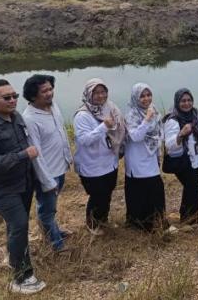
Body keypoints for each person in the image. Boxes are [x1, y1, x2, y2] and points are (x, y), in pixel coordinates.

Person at [0, 79, 46, 294]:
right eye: (7, 97)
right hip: (1, 190)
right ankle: (21, 278)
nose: (13, 100)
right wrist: (23, 155)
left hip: (23, 184)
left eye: (14, 96)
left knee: (16, 227)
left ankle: (13, 257)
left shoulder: (15, 117)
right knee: (20, 225)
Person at [22, 74, 72, 251]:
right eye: (44, 91)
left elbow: (61, 133)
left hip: (60, 167)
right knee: (46, 209)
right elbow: (35, 154)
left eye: (51, 89)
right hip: (47, 173)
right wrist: (47, 181)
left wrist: (68, 158)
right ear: (33, 95)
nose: (50, 93)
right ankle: (55, 243)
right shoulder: (29, 119)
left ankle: (54, 230)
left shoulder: (52, 107)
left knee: (51, 207)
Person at [74, 78, 126, 236]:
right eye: (96, 92)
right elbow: (84, 140)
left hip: (110, 162)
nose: (100, 96)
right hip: (92, 165)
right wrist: (103, 126)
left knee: (107, 193)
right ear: (89, 94)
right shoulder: (82, 115)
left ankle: (103, 220)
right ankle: (92, 224)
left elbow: (120, 127)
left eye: (103, 92)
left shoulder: (109, 108)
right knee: (97, 196)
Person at [124, 83, 169, 231]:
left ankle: (158, 220)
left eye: (148, 95)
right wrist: (147, 119)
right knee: (140, 191)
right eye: (142, 96)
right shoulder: (131, 115)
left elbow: (159, 132)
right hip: (137, 159)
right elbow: (136, 136)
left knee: (156, 189)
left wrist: (159, 152)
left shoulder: (153, 110)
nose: (146, 99)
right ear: (136, 97)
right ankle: (139, 223)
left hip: (151, 156)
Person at [163, 88, 198, 225]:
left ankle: (189, 218)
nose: (186, 103)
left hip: (196, 157)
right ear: (177, 102)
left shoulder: (195, 113)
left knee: (191, 187)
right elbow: (169, 145)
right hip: (181, 160)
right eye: (183, 101)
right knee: (193, 185)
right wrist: (181, 134)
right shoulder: (172, 119)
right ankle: (189, 221)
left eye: (189, 100)